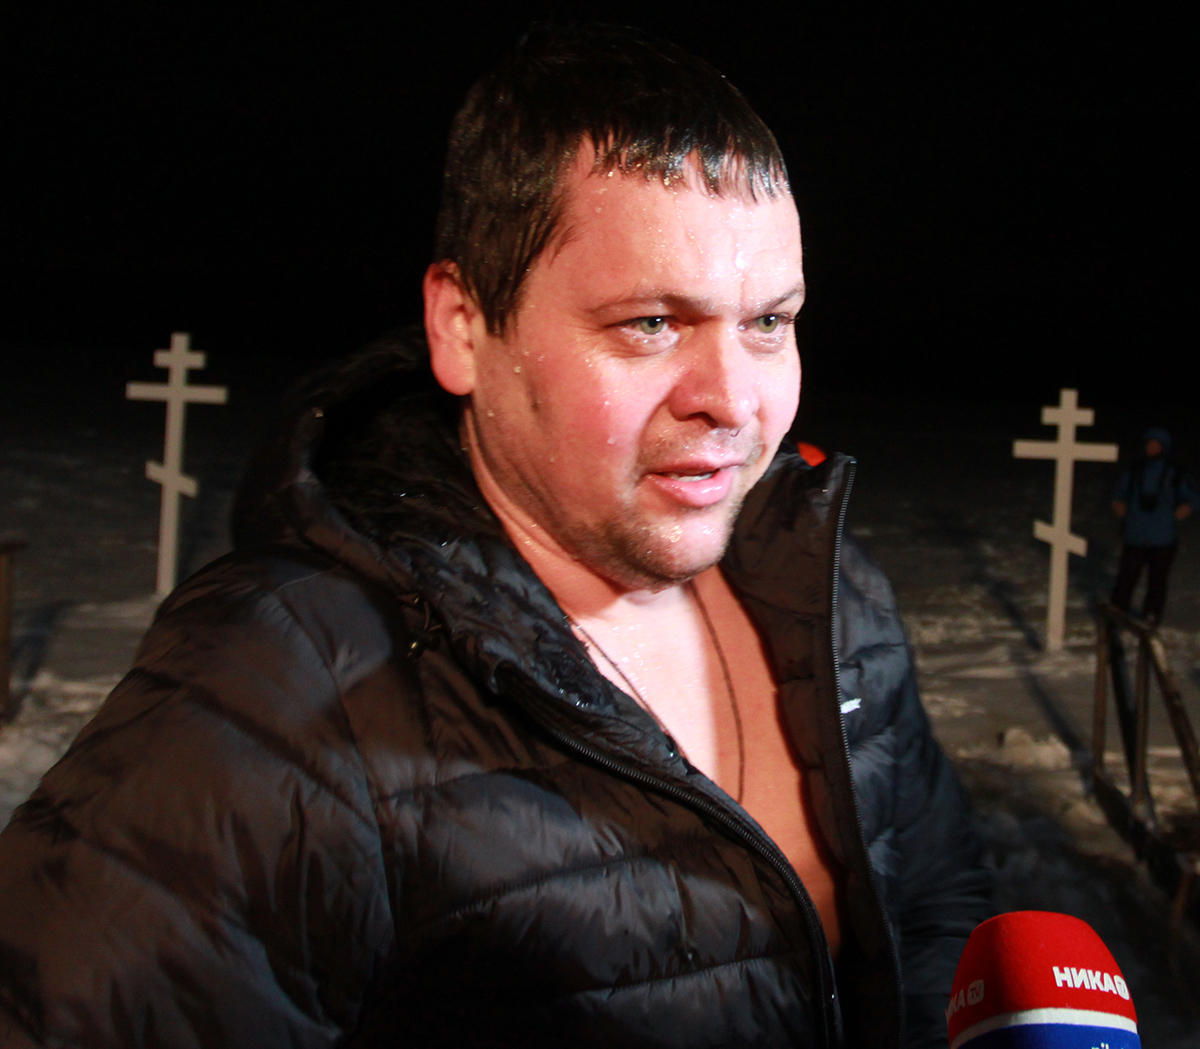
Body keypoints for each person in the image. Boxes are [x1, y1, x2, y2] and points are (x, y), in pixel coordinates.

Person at [0, 24, 990, 1048]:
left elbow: (940, 919)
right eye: (651, 323)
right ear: (464, 328)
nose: (733, 401)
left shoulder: (829, 595)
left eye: (768, 323)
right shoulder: (284, 687)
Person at [1110, 427, 1199, 623]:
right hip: (1135, 536)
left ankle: (1151, 616)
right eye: (1149, 444)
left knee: (1157, 582)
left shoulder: (1175, 473)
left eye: (1157, 445)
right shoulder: (1134, 471)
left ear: (1164, 447)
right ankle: (1116, 613)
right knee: (1125, 579)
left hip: (1163, 538)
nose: (1152, 448)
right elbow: (1119, 493)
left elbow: (1194, 496)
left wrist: (1188, 507)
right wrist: (1118, 503)